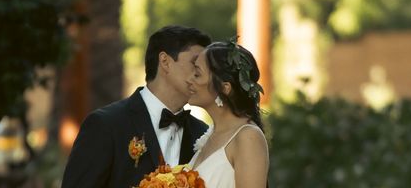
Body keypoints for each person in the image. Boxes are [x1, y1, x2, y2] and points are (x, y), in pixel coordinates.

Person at [61, 25, 212, 188]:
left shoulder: (203, 135)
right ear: (165, 62)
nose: (202, 74)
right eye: (195, 63)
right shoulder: (106, 125)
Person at [187, 39, 269, 188]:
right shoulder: (210, 134)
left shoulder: (247, 137)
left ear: (225, 87)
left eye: (197, 74)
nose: (189, 79)